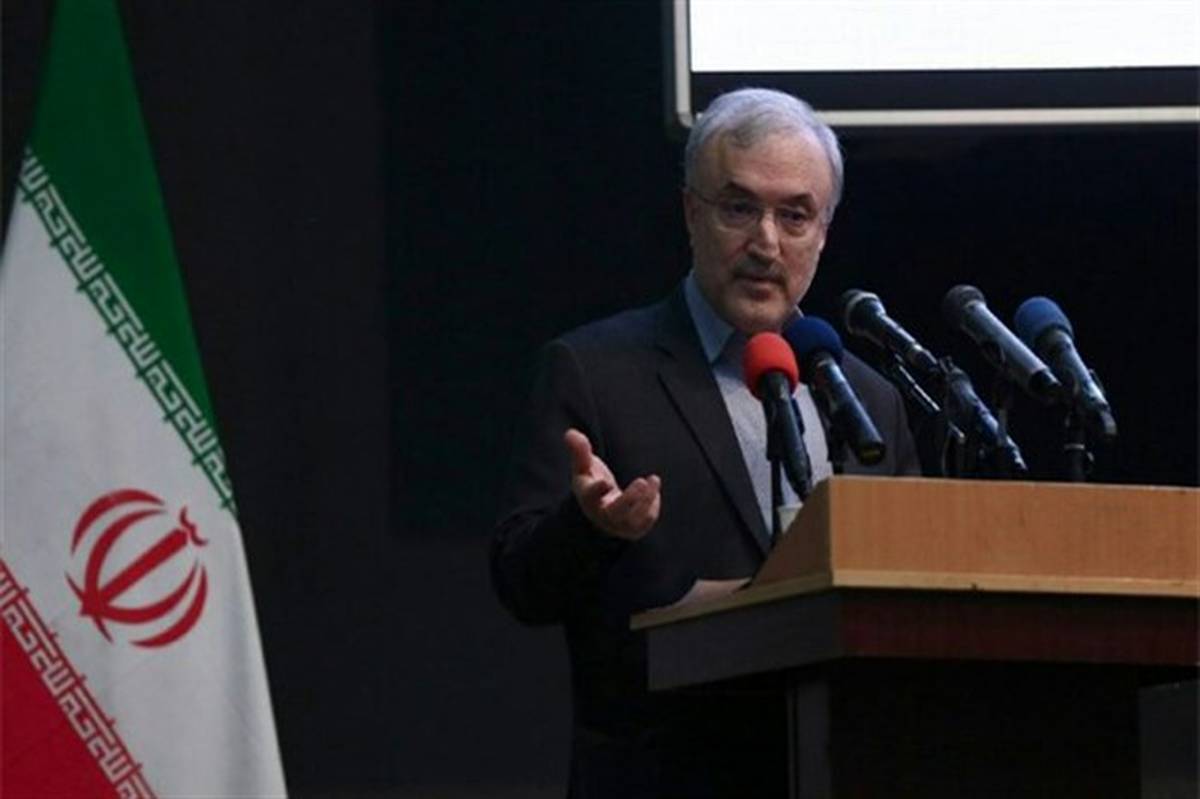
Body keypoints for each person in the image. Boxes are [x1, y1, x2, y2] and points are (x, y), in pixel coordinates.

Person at [491, 88, 920, 798]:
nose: (766, 243)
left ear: (824, 232)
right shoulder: (596, 372)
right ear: (691, 213)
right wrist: (592, 529)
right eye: (739, 208)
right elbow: (520, 583)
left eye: (795, 215)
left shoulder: (868, 401)